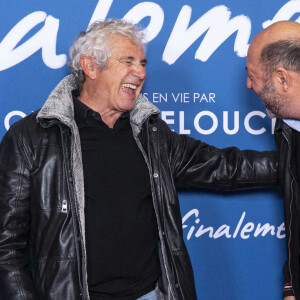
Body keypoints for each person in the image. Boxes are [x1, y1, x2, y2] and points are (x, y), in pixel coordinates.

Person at [0, 19, 277, 300]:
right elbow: (7, 246)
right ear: (90, 66)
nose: (139, 72)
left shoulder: (150, 134)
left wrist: (291, 161)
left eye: (143, 63)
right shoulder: (31, 137)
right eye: (128, 61)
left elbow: (225, 167)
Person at [246, 20, 300, 300]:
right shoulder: (289, 130)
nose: (248, 85)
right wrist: (292, 284)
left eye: (253, 75)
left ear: (281, 78)